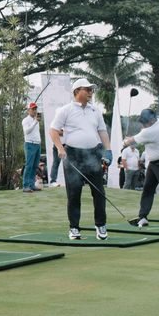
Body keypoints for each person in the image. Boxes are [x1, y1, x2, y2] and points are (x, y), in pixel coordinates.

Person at [49, 78, 112, 240]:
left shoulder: (95, 111)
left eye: (92, 90)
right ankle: (74, 228)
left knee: (99, 192)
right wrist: (60, 148)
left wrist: (108, 150)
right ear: (77, 91)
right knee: (74, 193)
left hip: (93, 154)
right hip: (73, 156)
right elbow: (53, 131)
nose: (91, 92)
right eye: (88, 89)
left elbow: (102, 131)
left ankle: (101, 225)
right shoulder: (66, 110)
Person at [21, 102, 42, 193]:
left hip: (37, 144)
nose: (34, 111)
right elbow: (26, 132)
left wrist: (35, 122)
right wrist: (35, 123)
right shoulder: (26, 120)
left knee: (34, 166)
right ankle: (26, 185)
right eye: (33, 109)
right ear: (28, 110)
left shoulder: (36, 120)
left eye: (35, 109)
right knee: (29, 165)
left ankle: (32, 185)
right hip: (30, 144)